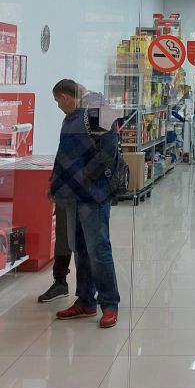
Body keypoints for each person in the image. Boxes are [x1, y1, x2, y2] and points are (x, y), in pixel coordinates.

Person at [48, 79, 121, 327]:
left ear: (66, 97)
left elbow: (108, 152)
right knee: (79, 249)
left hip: (94, 194)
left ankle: (109, 304)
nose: (58, 106)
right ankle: (86, 301)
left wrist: (84, 176)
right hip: (71, 194)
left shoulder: (99, 112)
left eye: (58, 100)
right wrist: (54, 182)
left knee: (98, 250)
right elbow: (63, 153)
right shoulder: (70, 119)